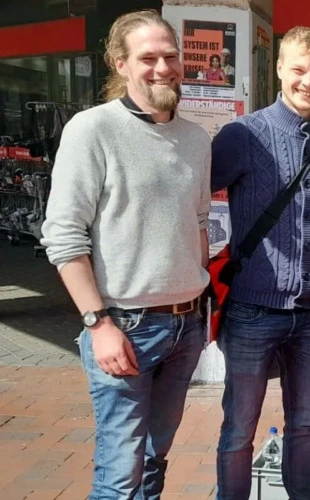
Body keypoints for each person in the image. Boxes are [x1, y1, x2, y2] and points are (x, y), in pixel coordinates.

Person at [39, 10, 211, 499]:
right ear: (120, 63)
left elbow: (198, 223)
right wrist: (98, 325)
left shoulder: (196, 138)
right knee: (120, 476)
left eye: (171, 57)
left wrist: (200, 297)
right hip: (124, 326)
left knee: (155, 460)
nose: (163, 68)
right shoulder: (92, 130)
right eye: (148, 58)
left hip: (186, 326)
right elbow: (64, 235)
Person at [210, 26, 310, 500]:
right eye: (299, 70)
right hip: (252, 308)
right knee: (239, 428)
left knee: (305, 424)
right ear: (279, 70)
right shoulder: (242, 135)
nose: (309, 81)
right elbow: (187, 194)